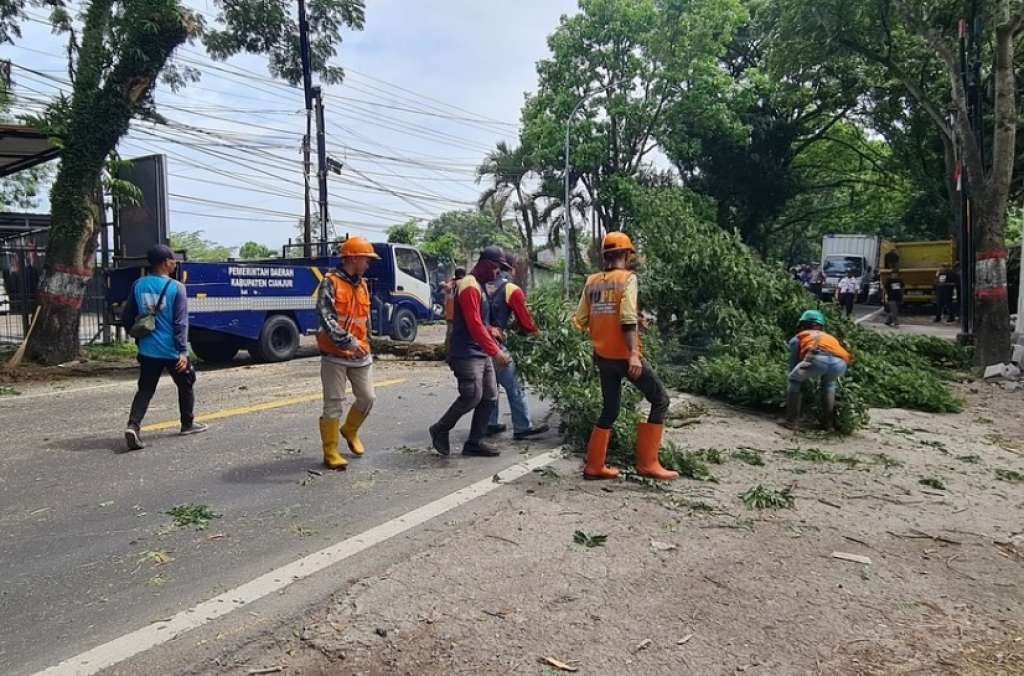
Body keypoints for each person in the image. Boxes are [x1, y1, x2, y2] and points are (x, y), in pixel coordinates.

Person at [574, 232, 677, 482]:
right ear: (626, 254)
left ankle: (594, 466)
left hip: (603, 356)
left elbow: (581, 320)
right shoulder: (628, 279)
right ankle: (648, 464)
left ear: (605, 255)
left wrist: (605, 327)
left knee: (610, 409)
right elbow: (627, 318)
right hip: (624, 356)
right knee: (660, 400)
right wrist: (633, 354)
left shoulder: (592, 282)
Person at [122, 244, 207, 450]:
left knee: (145, 389)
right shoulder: (177, 287)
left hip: (148, 350)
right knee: (186, 383)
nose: (175, 263)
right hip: (171, 351)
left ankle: (133, 426)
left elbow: (127, 316)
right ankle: (187, 423)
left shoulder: (138, 284)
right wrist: (182, 351)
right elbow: (180, 323)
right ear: (164, 263)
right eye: (172, 260)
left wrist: (139, 339)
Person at [429, 247, 512, 457]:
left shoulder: (481, 287)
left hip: (479, 351)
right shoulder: (469, 285)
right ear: (484, 264)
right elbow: (474, 325)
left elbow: (480, 323)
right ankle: (440, 428)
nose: (497, 274)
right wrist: (496, 352)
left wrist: (492, 331)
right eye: (495, 269)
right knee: (472, 395)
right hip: (465, 352)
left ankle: (474, 442)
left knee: (490, 396)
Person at [316, 236, 379, 470]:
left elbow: (365, 319)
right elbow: (327, 319)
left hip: (361, 355)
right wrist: (350, 343)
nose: (368, 264)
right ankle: (331, 451)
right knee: (333, 403)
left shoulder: (362, 284)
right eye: (366, 259)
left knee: (368, 397)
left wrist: (367, 342)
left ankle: (350, 430)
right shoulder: (330, 283)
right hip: (335, 355)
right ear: (353, 258)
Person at [485, 263, 549, 440]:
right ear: (512, 269)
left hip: (479, 343)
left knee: (491, 386)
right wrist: (538, 334)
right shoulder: (511, 289)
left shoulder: (483, 285)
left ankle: (490, 423)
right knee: (515, 385)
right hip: (494, 344)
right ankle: (522, 427)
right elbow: (525, 321)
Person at [783, 310, 853, 432]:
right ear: (821, 326)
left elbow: (794, 365)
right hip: (840, 363)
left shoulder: (799, 337)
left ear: (802, 325)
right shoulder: (829, 337)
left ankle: (791, 421)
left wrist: (800, 378)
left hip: (817, 357)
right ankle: (828, 424)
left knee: (793, 380)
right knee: (829, 385)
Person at [443, 266, 466, 356]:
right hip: (459, 314)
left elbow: (446, 289)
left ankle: (448, 354)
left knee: (450, 335)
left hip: (451, 314)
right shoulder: (462, 283)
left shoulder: (451, 284)